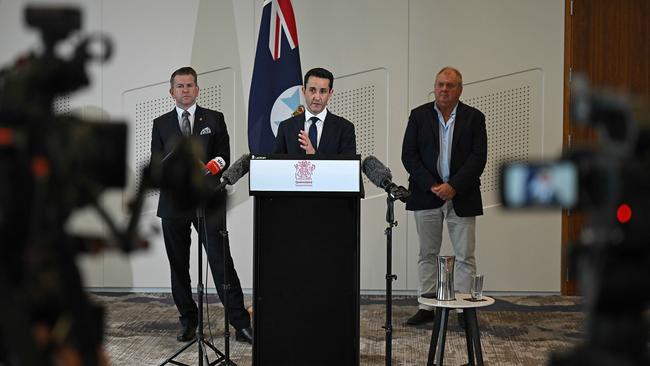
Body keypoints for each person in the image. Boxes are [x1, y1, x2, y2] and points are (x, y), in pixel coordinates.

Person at [151, 67, 253, 343]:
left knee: (222, 263)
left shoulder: (215, 119)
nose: (185, 90)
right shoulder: (160, 124)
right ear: (171, 92)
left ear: (197, 89)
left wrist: (206, 169)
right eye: (180, 86)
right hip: (173, 205)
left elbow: (223, 156)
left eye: (189, 85)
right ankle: (188, 321)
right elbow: (156, 163)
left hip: (207, 201)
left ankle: (240, 323)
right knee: (178, 265)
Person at [401, 66, 487, 326]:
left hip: (463, 195)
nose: (444, 89)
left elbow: (478, 158)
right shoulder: (418, 116)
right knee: (427, 253)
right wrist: (433, 185)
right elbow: (409, 156)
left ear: (460, 89)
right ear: (434, 87)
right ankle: (427, 306)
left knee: (464, 256)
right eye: (440, 84)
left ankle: (463, 311)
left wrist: (454, 186)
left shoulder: (474, 118)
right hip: (427, 195)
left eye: (450, 85)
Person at [274, 67, 356, 155]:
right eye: (312, 90)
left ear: (330, 93)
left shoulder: (345, 128)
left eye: (323, 91)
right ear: (304, 91)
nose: (317, 97)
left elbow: (348, 167)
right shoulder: (286, 127)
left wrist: (313, 154)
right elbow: (278, 165)